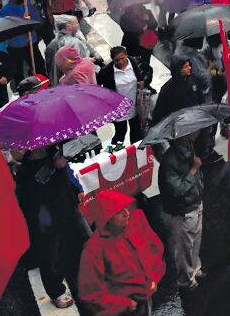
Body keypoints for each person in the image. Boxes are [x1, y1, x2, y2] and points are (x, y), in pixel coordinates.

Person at [15, 145, 91, 309]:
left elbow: (67, 172)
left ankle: (95, 274)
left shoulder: (54, 151)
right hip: (43, 213)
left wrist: (76, 187)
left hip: (67, 202)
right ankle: (56, 291)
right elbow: (26, 193)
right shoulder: (22, 167)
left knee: (87, 239)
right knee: (49, 252)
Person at [78, 190, 166, 316]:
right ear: (106, 217)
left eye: (125, 207)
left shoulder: (137, 221)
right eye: (118, 211)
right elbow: (90, 294)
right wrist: (124, 304)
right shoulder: (93, 250)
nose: (126, 213)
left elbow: (155, 249)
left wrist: (154, 277)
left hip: (145, 297)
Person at [157, 131, 204, 291]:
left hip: (196, 203)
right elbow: (177, 189)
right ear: (184, 134)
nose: (198, 131)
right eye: (193, 130)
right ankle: (185, 280)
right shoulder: (169, 160)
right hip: (182, 211)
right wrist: (194, 170)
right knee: (185, 247)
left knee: (196, 240)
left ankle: (195, 269)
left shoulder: (190, 147)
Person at [98, 47, 145, 148]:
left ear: (126, 55)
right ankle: (115, 153)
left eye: (122, 58)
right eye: (117, 60)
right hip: (118, 109)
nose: (120, 62)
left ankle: (138, 151)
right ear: (112, 60)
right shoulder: (107, 71)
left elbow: (147, 72)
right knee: (120, 134)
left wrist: (142, 82)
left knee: (136, 132)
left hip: (135, 106)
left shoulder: (135, 63)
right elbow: (98, 86)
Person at [152, 53, 203, 125]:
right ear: (178, 69)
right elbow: (159, 111)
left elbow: (201, 99)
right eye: (186, 67)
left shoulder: (193, 80)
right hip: (178, 124)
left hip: (194, 120)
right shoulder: (167, 89)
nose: (189, 68)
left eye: (189, 65)